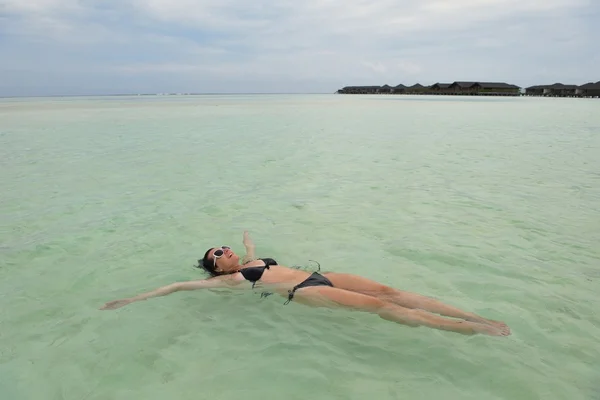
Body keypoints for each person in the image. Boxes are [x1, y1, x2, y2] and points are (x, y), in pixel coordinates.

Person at [100, 231, 511, 337]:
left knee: (388, 290)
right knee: (385, 309)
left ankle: (474, 315)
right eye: (216, 254)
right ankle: (472, 330)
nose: (224, 251)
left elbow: (253, 247)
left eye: (223, 247)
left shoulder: (249, 259)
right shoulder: (232, 281)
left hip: (321, 275)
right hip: (305, 292)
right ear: (216, 270)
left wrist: (245, 240)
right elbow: (175, 286)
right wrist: (131, 300)